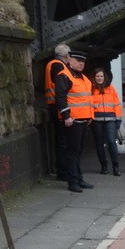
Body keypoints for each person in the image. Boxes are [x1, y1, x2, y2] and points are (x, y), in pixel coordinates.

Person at [53, 50, 95, 193]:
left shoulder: (83, 78)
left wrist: (90, 117)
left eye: (83, 61)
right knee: (72, 152)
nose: (81, 63)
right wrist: (67, 117)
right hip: (73, 120)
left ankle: (78, 179)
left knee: (78, 151)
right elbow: (60, 97)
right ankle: (72, 182)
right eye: (78, 61)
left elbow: (87, 99)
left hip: (83, 120)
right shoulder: (64, 76)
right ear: (69, 60)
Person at [43, 43, 70, 181]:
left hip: (52, 103)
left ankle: (62, 170)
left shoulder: (51, 64)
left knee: (60, 139)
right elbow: (61, 88)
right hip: (58, 105)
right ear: (66, 56)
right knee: (63, 140)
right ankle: (63, 171)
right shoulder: (59, 66)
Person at [90, 67, 123, 176]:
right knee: (99, 143)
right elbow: (89, 106)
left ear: (105, 77)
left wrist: (118, 120)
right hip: (97, 120)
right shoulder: (91, 90)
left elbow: (117, 105)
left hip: (110, 119)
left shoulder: (111, 89)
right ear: (94, 78)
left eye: (101, 76)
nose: (100, 78)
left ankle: (116, 167)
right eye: (97, 76)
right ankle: (104, 166)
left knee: (111, 142)